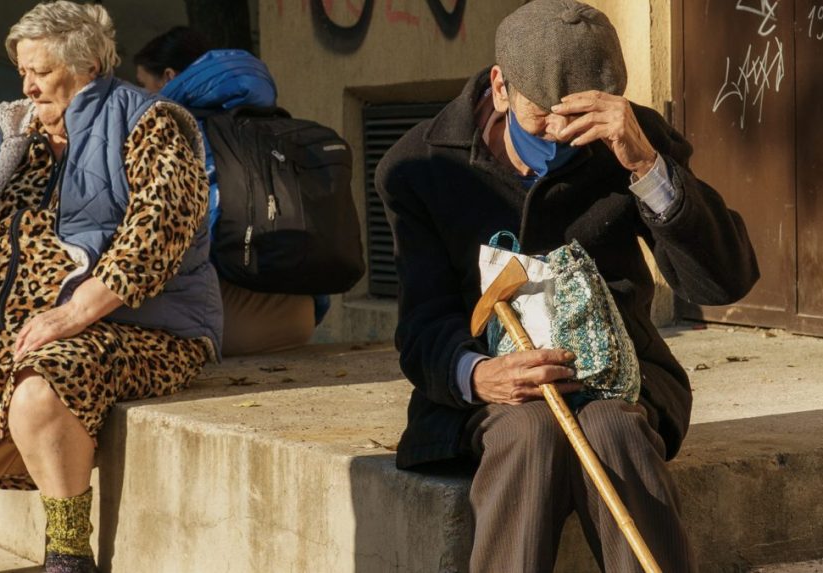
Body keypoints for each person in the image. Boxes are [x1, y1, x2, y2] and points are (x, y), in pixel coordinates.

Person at [374, 1, 758, 571]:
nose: (560, 136)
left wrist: (647, 168)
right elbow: (422, 324)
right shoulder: (420, 166)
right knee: (529, 433)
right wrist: (477, 375)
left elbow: (724, 278)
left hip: (620, 376)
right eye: (543, 116)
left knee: (612, 428)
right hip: (494, 393)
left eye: (579, 119)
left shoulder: (630, 138)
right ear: (501, 87)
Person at [0, 3, 220, 572]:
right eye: (23, 72)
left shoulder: (150, 121)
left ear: (85, 65)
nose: (28, 86)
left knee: (44, 381)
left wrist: (74, 313)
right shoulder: (15, 141)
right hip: (9, 336)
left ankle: (66, 555)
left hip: (141, 329)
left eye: (40, 71)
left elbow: (160, 231)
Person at [134, 27, 329, 356]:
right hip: (301, 319)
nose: (141, 96)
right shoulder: (275, 126)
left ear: (167, 77)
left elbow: (178, 244)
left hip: (226, 326)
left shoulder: (184, 134)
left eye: (143, 85)